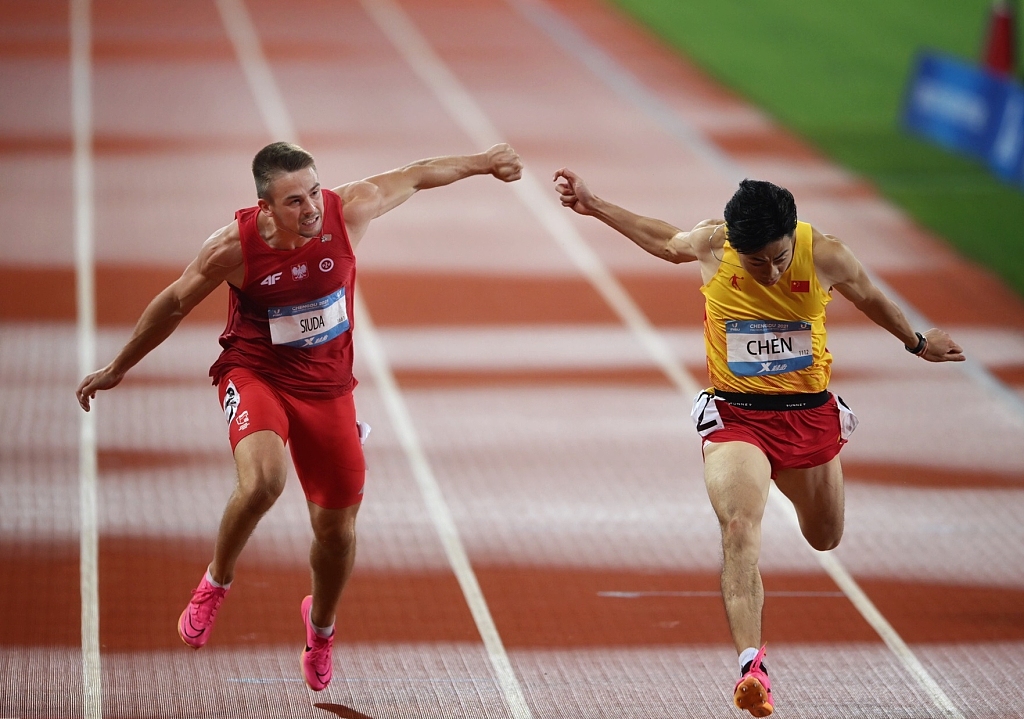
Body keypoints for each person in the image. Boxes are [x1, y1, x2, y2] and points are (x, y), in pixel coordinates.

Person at [76, 141, 523, 691]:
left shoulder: (347, 208)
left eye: (314, 191)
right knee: (264, 480)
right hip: (256, 372)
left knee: (336, 532)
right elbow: (173, 303)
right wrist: (118, 366)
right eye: (294, 201)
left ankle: (321, 629)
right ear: (266, 207)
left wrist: (484, 162)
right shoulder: (233, 249)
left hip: (329, 390)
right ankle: (217, 580)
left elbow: (419, 173)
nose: (312, 207)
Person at [552, 169, 964, 717]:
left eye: (779, 258)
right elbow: (664, 241)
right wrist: (595, 204)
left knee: (825, 537)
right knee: (740, 528)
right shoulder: (713, 245)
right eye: (756, 263)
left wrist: (917, 343)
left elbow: (868, 297)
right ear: (734, 246)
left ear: (793, 236)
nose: (769, 271)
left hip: (807, 417)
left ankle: (808, 487)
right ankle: (752, 666)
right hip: (738, 417)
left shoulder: (827, 255)